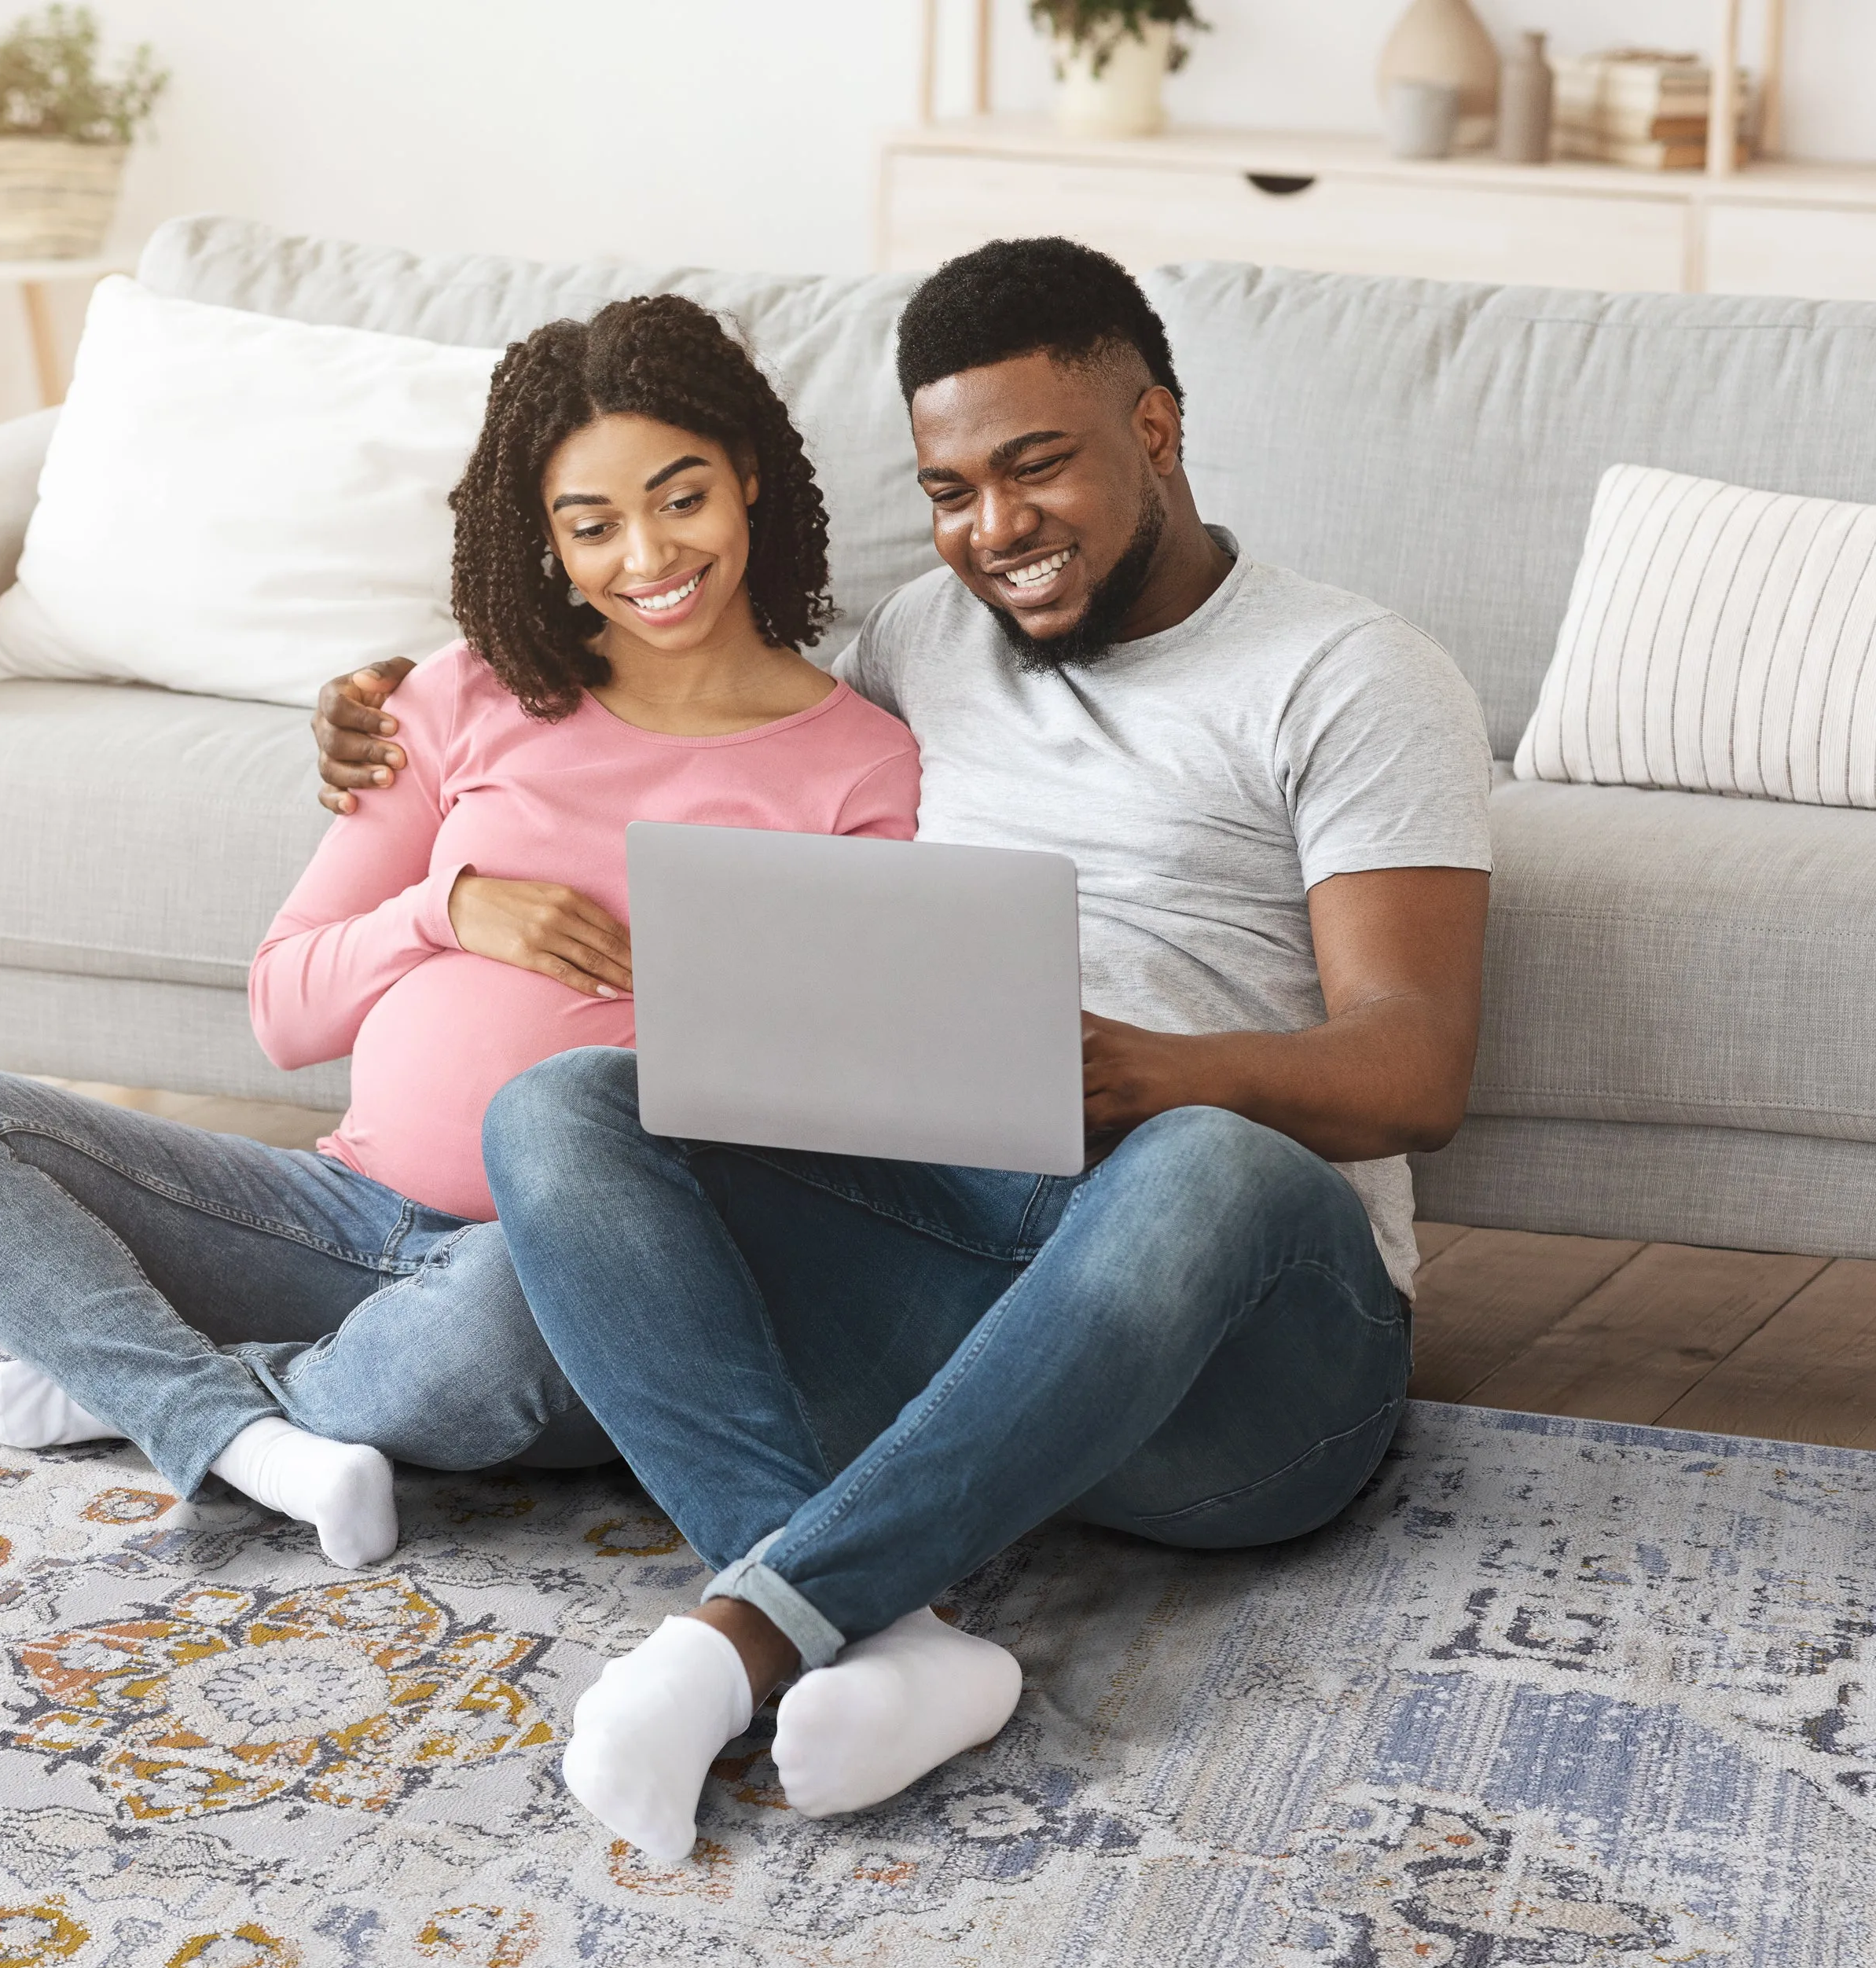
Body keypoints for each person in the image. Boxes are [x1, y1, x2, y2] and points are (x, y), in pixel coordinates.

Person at [309, 237, 1495, 1863]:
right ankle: (898, 1635)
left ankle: (747, 1634)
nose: (993, 529)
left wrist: (1153, 1074)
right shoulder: (921, 643)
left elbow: (1415, 1066)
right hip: (969, 1269)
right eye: (950, 489)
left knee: (1209, 1163)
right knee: (573, 1107)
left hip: (1247, 1359)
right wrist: (404, 708)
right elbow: (685, 709)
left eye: (1036, 468)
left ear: (1155, 429)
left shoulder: (1350, 674)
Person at [0, 293, 920, 1570]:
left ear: (748, 476)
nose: (648, 556)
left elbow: (847, 1104)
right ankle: (240, 1420)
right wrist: (449, 910)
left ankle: (159, 1391)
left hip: (554, 1279)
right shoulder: (463, 695)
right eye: (593, 525)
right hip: (331, 1212)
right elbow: (284, 1009)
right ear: (547, 541)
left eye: (681, 499)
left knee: (510, 1318)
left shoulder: (861, 769)